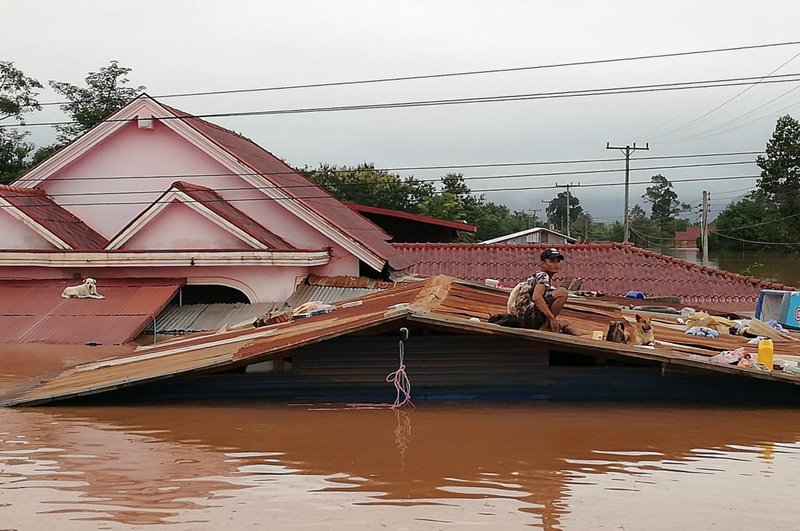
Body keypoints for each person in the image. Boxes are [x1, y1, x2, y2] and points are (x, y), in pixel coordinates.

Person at [513, 248, 579, 335]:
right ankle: (546, 327)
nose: (556, 264)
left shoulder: (540, 277)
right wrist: (551, 318)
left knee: (566, 323)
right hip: (529, 316)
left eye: (558, 261)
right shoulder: (543, 276)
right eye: (552, 261)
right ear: (543, 264)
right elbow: (536, 297)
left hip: (524, 317)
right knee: (562, 292)